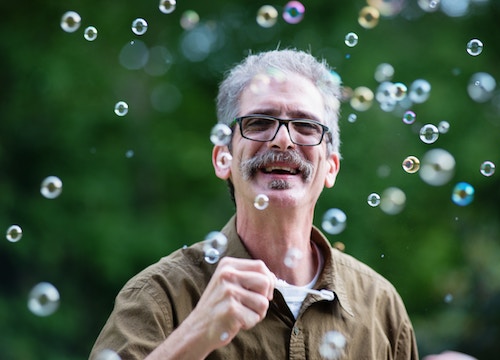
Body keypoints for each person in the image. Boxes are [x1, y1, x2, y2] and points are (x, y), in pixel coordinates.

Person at [90, 49, 419, 360]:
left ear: (331, 166)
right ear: (223, 158)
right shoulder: (158, 296)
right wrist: (197, 335)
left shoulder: (381, 305)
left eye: (305, 126)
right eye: (259, 123)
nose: (283, 139)